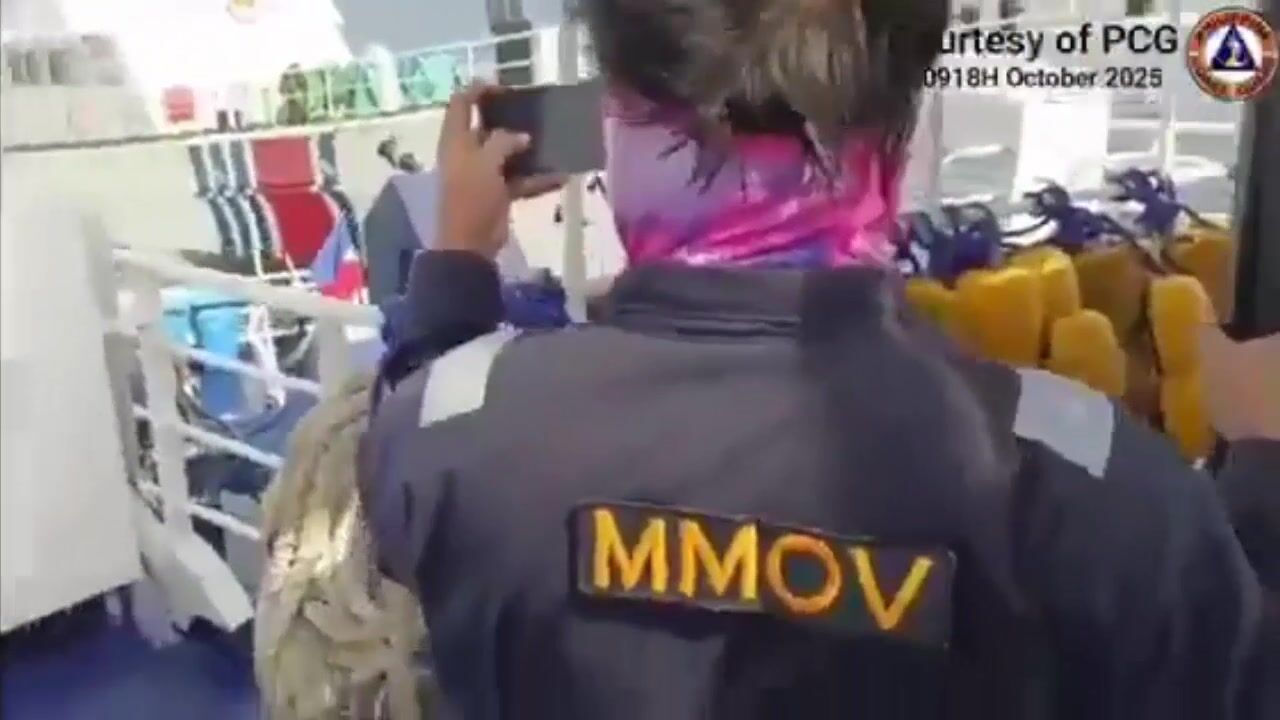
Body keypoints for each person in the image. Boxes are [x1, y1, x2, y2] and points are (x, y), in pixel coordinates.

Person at [358, 1, 1279, 718]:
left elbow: (414, 459)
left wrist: (456, 266)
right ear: (898, 155)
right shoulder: (1092, 489)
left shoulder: (456, 438)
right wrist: (1263, 477)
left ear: (616, 129)